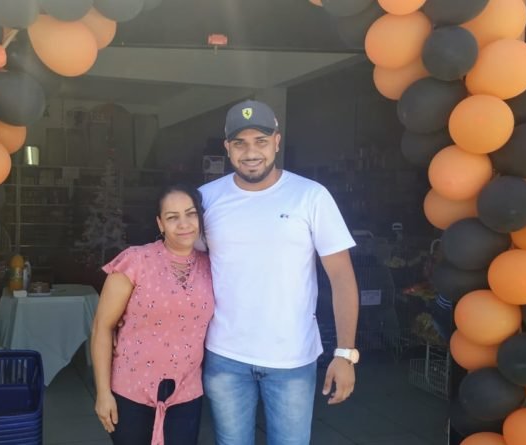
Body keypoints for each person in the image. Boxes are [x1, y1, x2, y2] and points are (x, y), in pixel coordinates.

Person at [199, 100, 360, 445]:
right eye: (240, 143)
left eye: (260, 141)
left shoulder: (311, 196)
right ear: (227, 147)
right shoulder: (206, 199)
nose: (250, 152)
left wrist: (345, 353)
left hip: (292, 358)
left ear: (276, 141)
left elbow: (342, 278)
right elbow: (182, 266)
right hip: (225, 356)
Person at [91, 184, 214, 445]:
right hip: (131, 391)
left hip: (186, 393)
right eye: (172, 217)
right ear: (160, 223)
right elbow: (102, 327)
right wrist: (102, 393)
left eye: (191, 214)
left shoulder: (212, 266)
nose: (184, 224)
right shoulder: (136, 261)